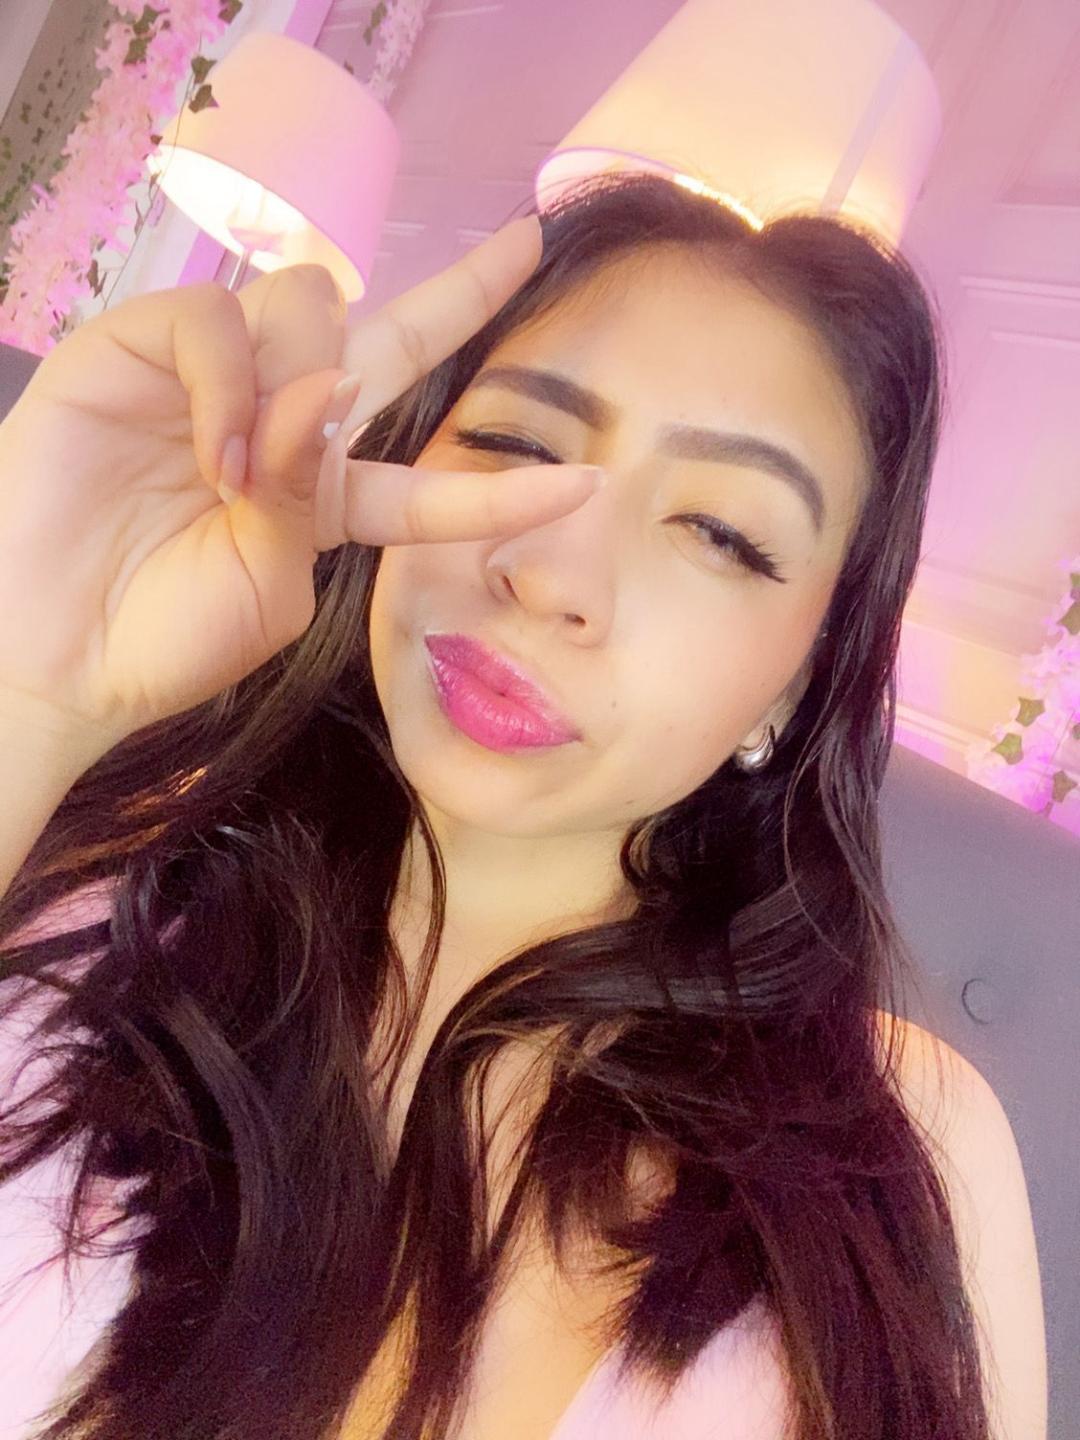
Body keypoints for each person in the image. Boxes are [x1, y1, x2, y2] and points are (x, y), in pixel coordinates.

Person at [0, 172, 1045, 1440]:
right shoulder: (75, 920)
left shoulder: (903, 1158)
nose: (550, 574)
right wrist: (34, 686)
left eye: (721, 533)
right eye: (517, 445)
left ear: (795, 685)